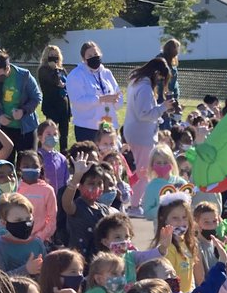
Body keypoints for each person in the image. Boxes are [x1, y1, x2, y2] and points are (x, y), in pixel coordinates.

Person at [123, 57, 175, 211]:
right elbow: (144, 114)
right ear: (157, 73)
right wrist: (163, 107)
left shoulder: (136, 82)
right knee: (143, 171)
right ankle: (134, 205)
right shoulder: (145, 87)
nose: (159, 81)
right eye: (160, 78)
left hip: (135, 131)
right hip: (141, 134)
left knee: (142, 169)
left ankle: (136, 201)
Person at [0, 49, 42, 154]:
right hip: (2, 130)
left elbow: (36, 97)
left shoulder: (24, 76)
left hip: (25, 128)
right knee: (5, 166)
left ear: (7, 68)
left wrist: (23, 111)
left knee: (25, 163)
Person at [69, 41, 122, 144]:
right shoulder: (76, 75)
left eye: (96, 55)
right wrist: (101, 99)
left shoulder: (106, 73)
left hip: (108, 125)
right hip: (87, 128)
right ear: (84, 59)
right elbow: (77, 102)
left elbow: (118, 94)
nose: (94, 57)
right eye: (90, 56)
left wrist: (115, 101)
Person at [61, 160, 115, 258]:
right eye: (91, 183)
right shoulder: (77, 207)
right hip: (79, 261)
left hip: (99, 261)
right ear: (80, 186)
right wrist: (76, 177)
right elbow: (66, 202)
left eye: (99, 183)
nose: (96, 187)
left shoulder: (104, 209)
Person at [154, 193, 203, 293]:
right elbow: (167, 281)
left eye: (184, 217)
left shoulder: (187, 243)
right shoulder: (166, 249)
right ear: (163, 219)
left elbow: (192, 277)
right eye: (175, 218)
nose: (181, 222)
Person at [0, 194, 45, 277]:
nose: (25, 223)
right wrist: (26, 270)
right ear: (4, 223)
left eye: (28, 219)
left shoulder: (37, 243)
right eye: (18, 220)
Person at [37, 45, 71, 150]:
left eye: (56, 55)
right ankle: (47, 152)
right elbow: (54, 81)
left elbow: (67, 84)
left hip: (63, 105)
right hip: (51, 106)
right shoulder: (43, 70)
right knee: (50, 133)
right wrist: (54, 69)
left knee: (64, 134)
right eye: (51, 55)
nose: (54, 57)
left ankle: (64, 155)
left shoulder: (62, 70)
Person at [142, 145, 185, 223]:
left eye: (165, 163)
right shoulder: (152, 186)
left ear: (171, 163)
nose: (162, 166)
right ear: (152, 165)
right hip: (162, 229)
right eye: (158, 163)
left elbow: (190, 204)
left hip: (182, 226)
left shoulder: (180, 182)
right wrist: (164, 208)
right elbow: (147, 213)